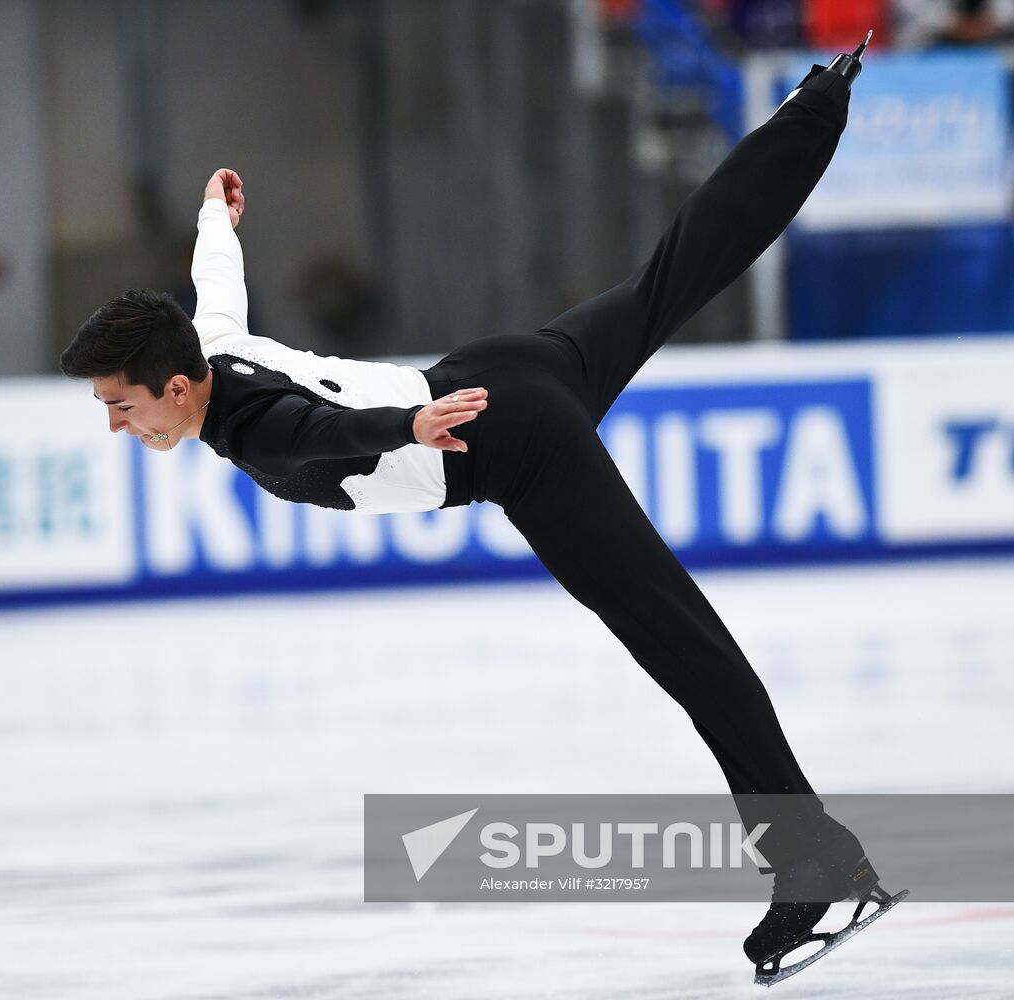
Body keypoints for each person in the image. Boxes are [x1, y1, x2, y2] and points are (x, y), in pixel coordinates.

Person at [60, 38, 903, 982]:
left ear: (175, 389)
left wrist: (408, 427)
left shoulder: (254, 430)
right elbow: (217, 285)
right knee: (677, 268)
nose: (117, 427)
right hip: (508, 366)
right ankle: (816, 102)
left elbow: (318, 434)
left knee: (680, 642)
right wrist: (218, 217)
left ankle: (811, 864)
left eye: (120, 406)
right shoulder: (212, 345)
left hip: (503, 440)